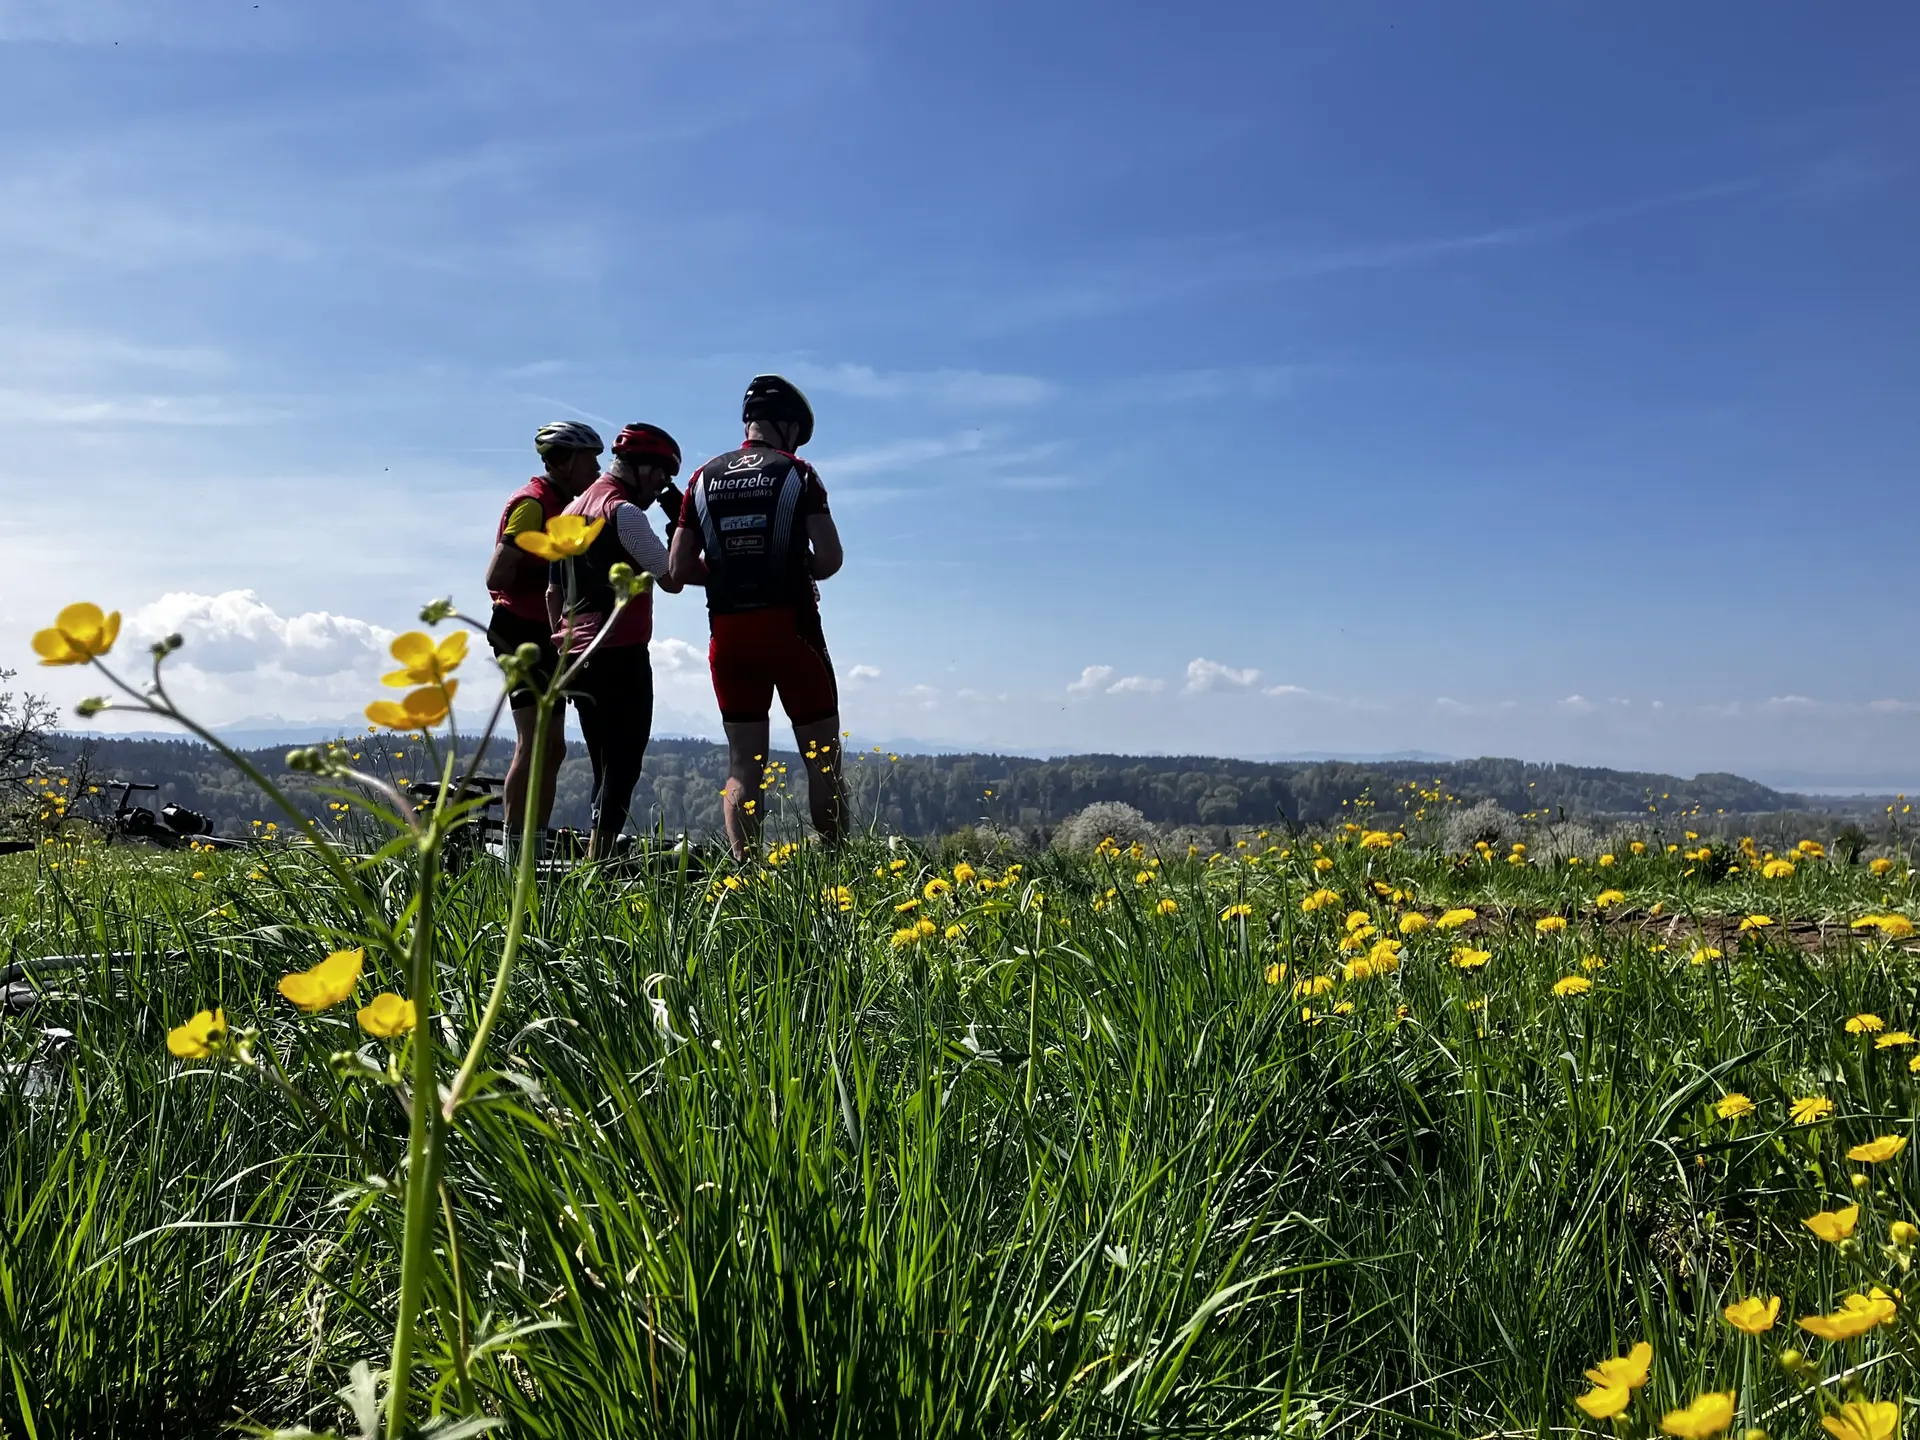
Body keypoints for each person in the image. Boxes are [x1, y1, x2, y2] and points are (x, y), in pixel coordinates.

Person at [668, 375, 846, 861]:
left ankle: (744, 875)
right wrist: (796, 567)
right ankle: (836, 869)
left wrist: (728, 571)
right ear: (788, 426)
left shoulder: (701, 478)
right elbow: (830, 558)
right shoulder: (798, 473)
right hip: (792, 628)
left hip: (728, 633)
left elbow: (678, 568)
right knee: (823, 760)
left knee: (743, 763)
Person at [549, 423, 687, 859]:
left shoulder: (570, 511)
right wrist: (680, 526)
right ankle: (598, 866)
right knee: (623, 763)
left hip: (576, 652)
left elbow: (553, 592)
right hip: (620, 651)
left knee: (602, 760)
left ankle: (594, 857)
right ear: (640, 467)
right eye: (661, 474)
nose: (662, 485)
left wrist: (563, 643)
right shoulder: (622, 511)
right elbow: (672, 577)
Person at [484, 421, 602, 839]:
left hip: (547, 632)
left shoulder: (566, 503)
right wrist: (555, 572)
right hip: (519, 629)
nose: (597, 468)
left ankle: (533, 838)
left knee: (554, 748)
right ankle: (515, 842)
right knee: (533, 742)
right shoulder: (533, 504)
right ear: (565, 461)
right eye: (590, 460)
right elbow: (497, 575)